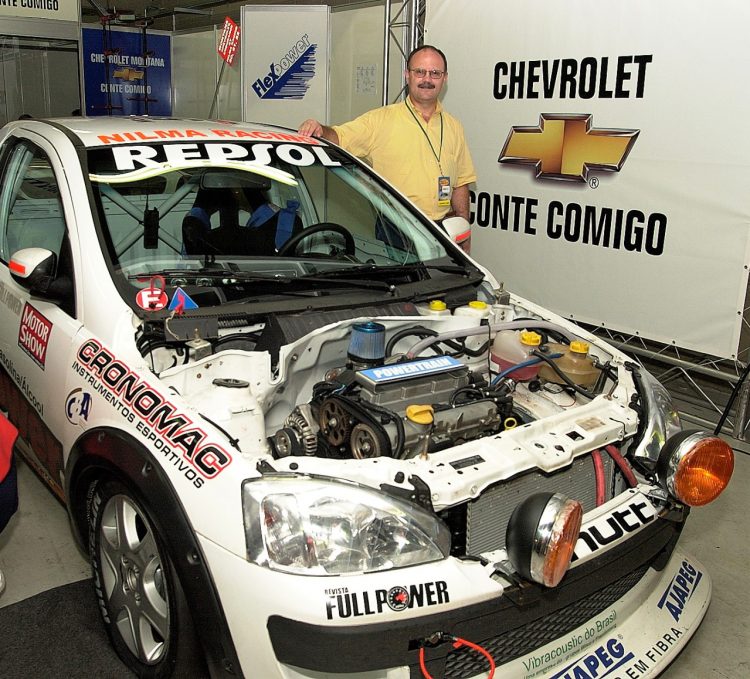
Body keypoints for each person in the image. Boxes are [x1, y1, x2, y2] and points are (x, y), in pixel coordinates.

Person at [298, 45, 476, 223]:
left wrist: (463, 226)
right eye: (420, 72)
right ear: (407, 75)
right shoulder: (380, 120)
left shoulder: (454, 127)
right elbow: (340, 137)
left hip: (442, 228)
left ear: (445, 78)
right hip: (396, 228)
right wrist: (321, 129)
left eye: (435, 73)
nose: (427, 79)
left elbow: (461, 182)